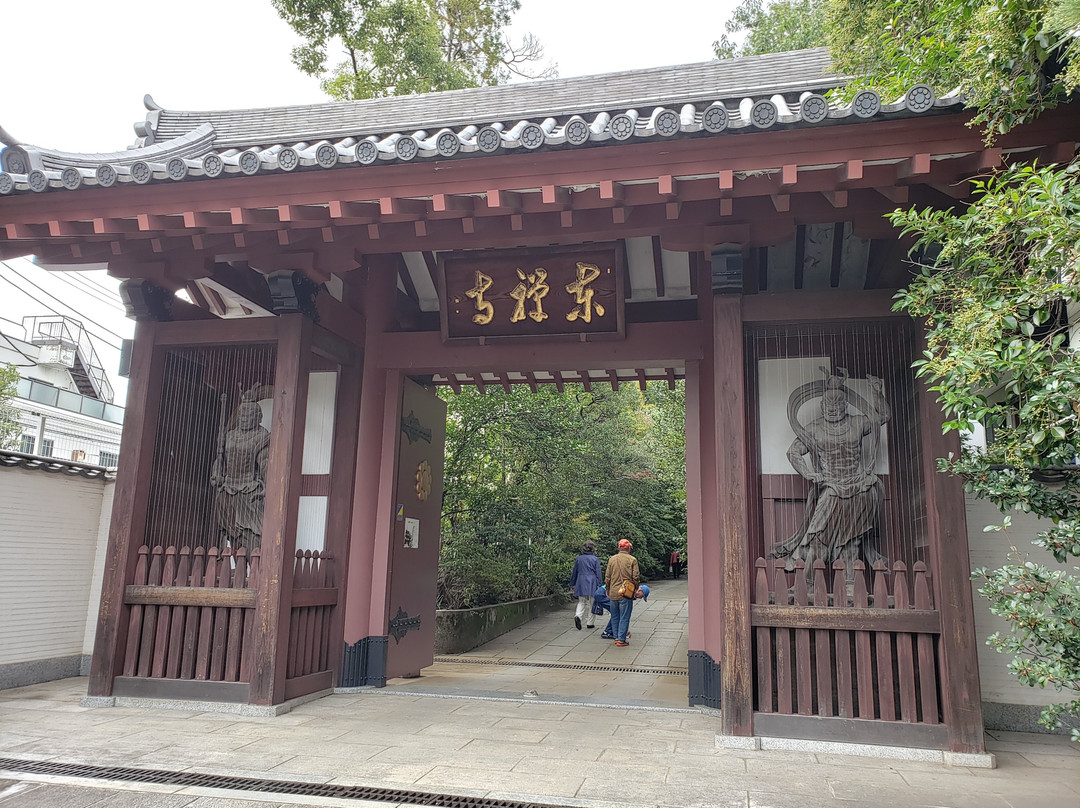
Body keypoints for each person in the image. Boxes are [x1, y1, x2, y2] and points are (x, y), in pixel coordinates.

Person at [768, 367, 890, 581]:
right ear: (822, 406)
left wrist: (876, 392)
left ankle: (851, 587)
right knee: (817, 537)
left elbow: (883, 416)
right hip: (832, 488)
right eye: (828, 405)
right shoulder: (814, 428)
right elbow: (793, 451)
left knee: (852, 541)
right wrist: (809, 473)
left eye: (837, 404)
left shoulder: (857, 422)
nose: (832, 409)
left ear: (845, 405)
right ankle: (807, 585)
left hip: (860, 486)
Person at [210, 396, 270, 552]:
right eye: (242, 415)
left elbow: (265, 464)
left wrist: (267, 486)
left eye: (249, 415)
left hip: (250, 488)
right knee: (232, 532)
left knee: (252, 533)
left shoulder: (262, 437)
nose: (244, 419)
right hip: (228, 487)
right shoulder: (229, 435)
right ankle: (239, 566)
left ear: (258, 417)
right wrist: (216, 473)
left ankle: (255, 564)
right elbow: (220, 459)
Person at [604, 538, 640, 646]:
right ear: (628, 548)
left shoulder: (612, 559)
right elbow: (636, 576)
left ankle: (616, 637)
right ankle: (621, 639)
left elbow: (607, 576)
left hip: (613, 592)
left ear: (619, 548)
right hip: (625, 593)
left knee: (615, 616)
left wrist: (608, 589)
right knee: (624, 616)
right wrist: (635, 588)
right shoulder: (632, 560)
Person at [568, 540, 603, 630]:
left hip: (581, 581)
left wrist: (572, 584)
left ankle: (578, 616)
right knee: (592, 603)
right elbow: (598, 573)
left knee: (581, 601)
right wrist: (600, 584)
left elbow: (574, 572)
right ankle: (590, 623)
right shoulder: (595, 559)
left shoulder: (579, 559)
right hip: (592, 581)